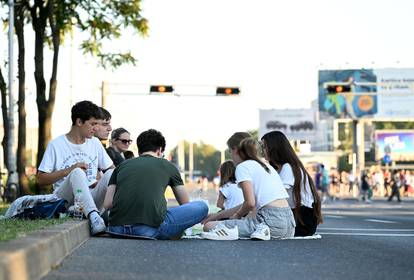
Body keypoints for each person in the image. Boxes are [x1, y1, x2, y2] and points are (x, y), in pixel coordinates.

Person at [104, 129, 208, 240]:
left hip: (116, 229)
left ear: (139, 151)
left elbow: (108, 204)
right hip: (148, 230)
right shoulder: (167, 165)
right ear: (159, 150)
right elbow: (185, 203)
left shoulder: (121, 166)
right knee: (201, 206)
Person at [36, 101, 115, 235]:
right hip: (65, 200)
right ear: (79, 122)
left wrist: (99, 182)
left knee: (112, 173)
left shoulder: (95, 143)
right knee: (77, 172)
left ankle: (98, 215)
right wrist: (69, 170)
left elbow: (112, 170)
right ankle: (94, 217)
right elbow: (40, 179)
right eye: (93, 124)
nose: (96, 128)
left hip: (90, 197)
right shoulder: (56, 145)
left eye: (97, 124)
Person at [201, 132, 295, 241]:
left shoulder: (242, 167)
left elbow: (250, 203)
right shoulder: (265, 165)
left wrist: (236, 216)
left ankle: (230, 232)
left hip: (270, 222)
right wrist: (218, 216)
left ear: (235, 149)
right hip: (289, 224)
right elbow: (248, 203)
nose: (231, 156)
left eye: (230, 152)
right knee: (223, 222)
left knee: (208, 227)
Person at [261, 131, 323, 237]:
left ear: (274, 148)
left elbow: (275, 196)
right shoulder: (282, 169)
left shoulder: (287, 168)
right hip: (296, 217)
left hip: (303, 221)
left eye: (265, 147)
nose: (263, 151)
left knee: (256, 227)